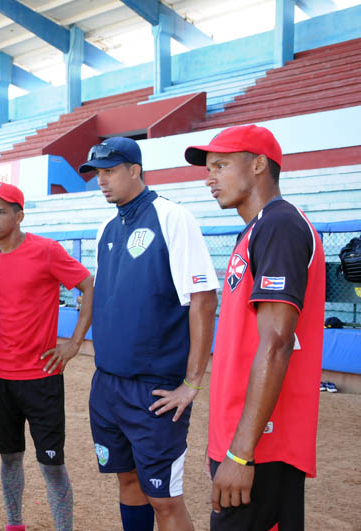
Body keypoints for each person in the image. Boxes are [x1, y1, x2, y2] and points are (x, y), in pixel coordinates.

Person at [185, 125, 325, 530]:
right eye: (208, 168)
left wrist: (242, 453)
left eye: (221, 166)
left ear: (260, 164)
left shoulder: (279, 226)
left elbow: (278, 342)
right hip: (243, 441)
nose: (209, 178)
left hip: (263, 447)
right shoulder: (257, 228)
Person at [78, 137, 219, 531]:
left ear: (135, 170)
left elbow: (204, 300)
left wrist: (192, 382)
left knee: (164, 498)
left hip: (154, 388)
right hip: (107, 384)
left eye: (109, 172)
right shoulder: (106, 225)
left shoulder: (172, 217)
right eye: (97, 174)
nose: (101, 182)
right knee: (127, 480)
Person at [0, 182, 94, 531]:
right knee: (9, 458)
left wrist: (73, 344)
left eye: (0, 212)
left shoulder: (46, 251)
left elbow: (88, 285)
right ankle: (15, 524)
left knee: (51, 464)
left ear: (19, 215)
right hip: (0, 378)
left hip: (41, 377)